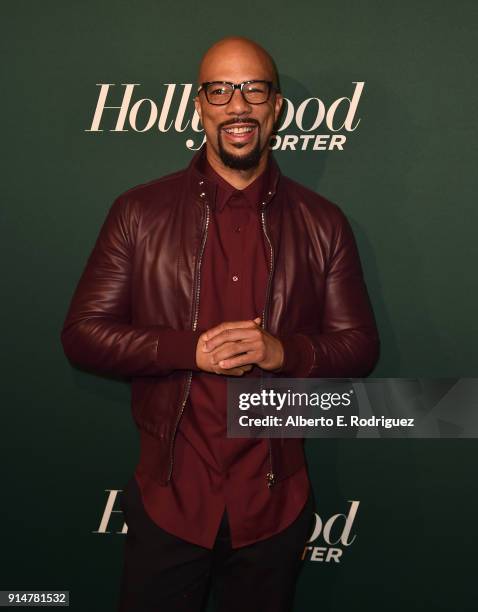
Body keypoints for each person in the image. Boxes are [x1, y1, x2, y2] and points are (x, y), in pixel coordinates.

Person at [61, 36, 379, 612]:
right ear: (199, 104)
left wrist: (285, 353)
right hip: (170, 503)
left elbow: (360, 347)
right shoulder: (138, 212)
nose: (238, 105)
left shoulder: (324, 223)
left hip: (273, 507)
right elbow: (83, 334)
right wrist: (189, 350)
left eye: (254, 89)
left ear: (276, 107)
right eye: (220, 90)